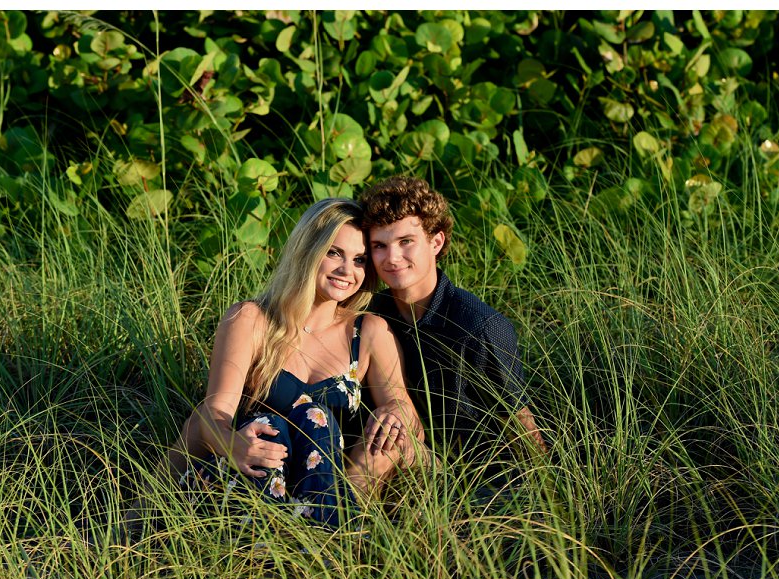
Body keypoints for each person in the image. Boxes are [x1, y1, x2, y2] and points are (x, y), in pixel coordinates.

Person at [171, 198, 425, 527]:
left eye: (360, 260)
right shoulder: (251, 320)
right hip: (248, 478)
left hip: (323, 490)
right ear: (308, 250)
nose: (347, 271)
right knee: (269, 430)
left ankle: (325, 541)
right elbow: (212, 411)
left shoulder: (369, 332)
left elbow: (408, 418)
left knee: (317, 417)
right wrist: (232, 445)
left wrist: (395, 412)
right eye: (334, 252)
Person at [360, 176, 546, 467]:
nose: (392, 257)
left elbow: (519, 420)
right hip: (403, 453)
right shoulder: (372, 312)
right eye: (379, 246)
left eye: (405, 242)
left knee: (381, 448)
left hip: (476, 478)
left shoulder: (479, 325)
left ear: (436, 242)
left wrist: (549, 494)